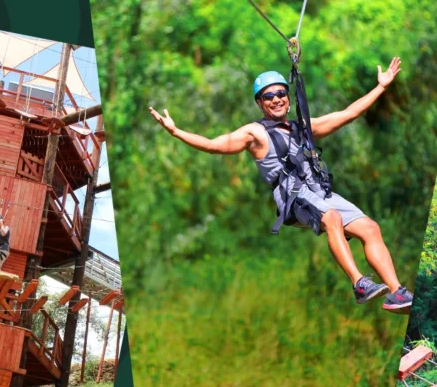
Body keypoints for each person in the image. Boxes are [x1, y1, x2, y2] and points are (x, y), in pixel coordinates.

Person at [148, 58, 413, 312]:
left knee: (370, 228)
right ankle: (359, 284)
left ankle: (397, 292)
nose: (276, 99)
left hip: (319, 192)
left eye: (280, 93)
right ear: (260, 103)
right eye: (268, 96)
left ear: (288, 98)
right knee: (331, 218)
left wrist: (381, 86)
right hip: (293, 197)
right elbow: (213, 145)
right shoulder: (255, 134)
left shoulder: (303, 128)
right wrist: (176, 131)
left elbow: (348, 114)